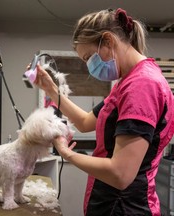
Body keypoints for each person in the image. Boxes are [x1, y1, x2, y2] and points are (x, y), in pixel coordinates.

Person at [33, 8, 174, 216]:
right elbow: (84, 122)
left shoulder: (142, 85)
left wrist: (66, 153)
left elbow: (120, 174)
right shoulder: (126, 82)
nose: (90, 67)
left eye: (89, 57)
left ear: (108, 40)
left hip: (125, 208)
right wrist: (51, 91)